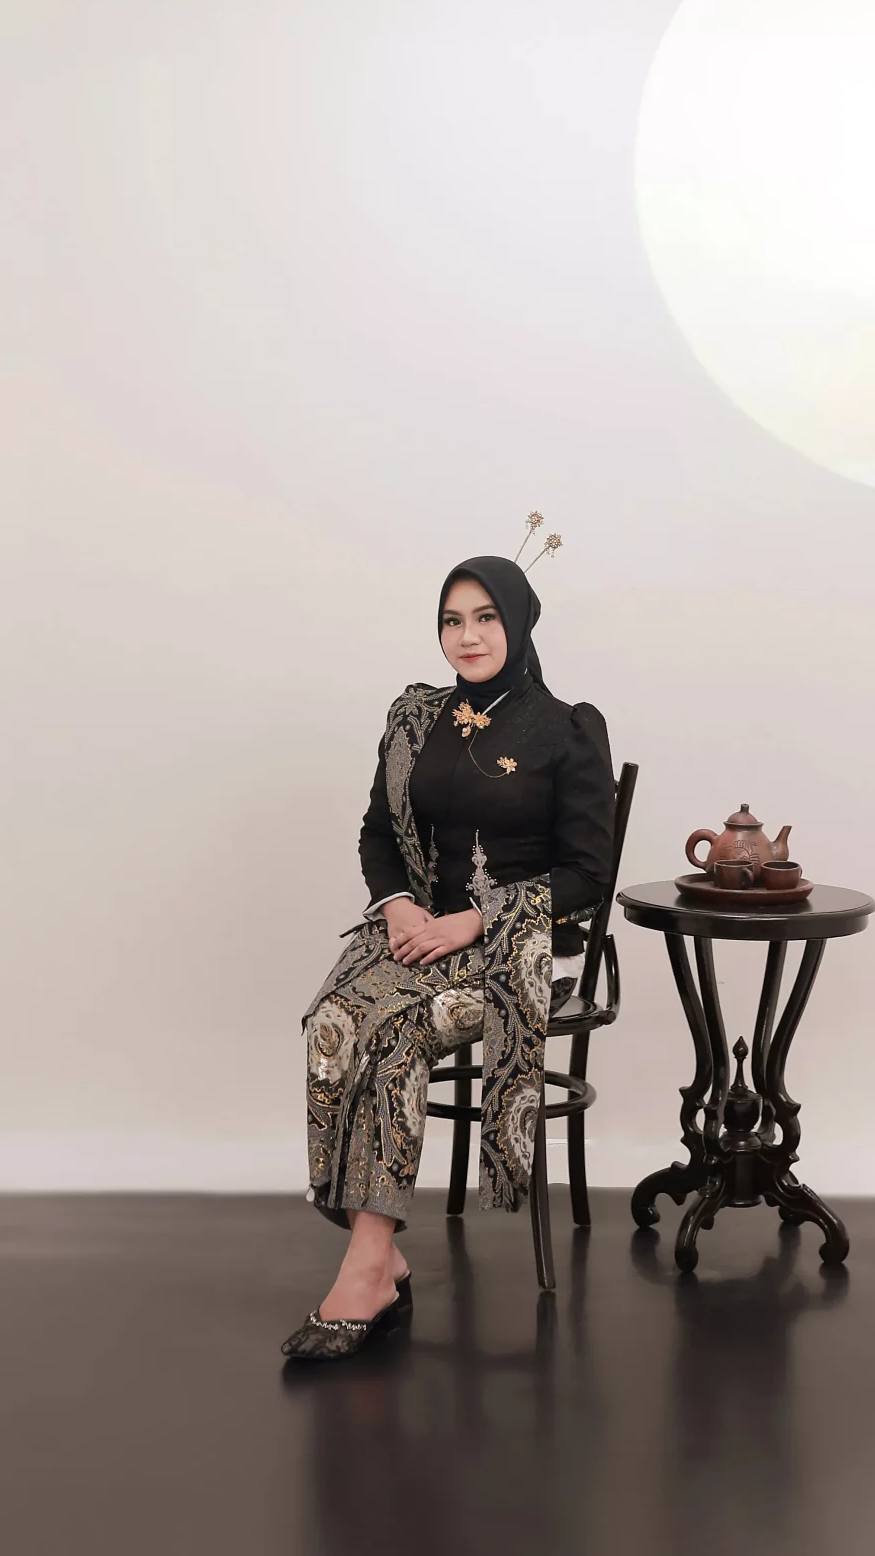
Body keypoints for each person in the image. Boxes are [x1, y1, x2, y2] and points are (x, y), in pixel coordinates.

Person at [281, 547, 615, 1360]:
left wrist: (475, 921)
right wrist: (398, 905)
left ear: (520, 621)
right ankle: (376, 1244)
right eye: (451, 621)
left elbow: (587, 874)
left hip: (514, 948)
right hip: (415, 931)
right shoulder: (415, 719)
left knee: (396, 1033)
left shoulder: (566, 729)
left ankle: (367, 1267)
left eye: (486, 617)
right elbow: (377, 833)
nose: (468, 637)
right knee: (333, 1021)